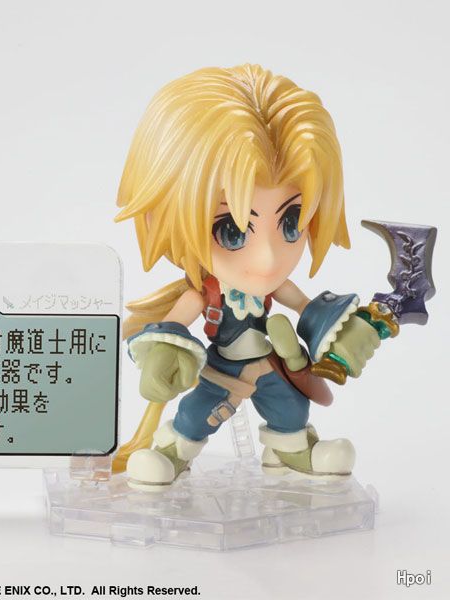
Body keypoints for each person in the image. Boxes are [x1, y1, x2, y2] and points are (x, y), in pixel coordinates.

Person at [114, 64, 380, 491]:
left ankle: (290, 450)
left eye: (291, 222)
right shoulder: (206, 292)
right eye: (232, 231)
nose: (268, 257)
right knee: (195, 416)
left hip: (272, 364)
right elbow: (175, 325)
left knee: (290, 411)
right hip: (222, 368)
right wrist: (162, 353)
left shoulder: (276, 288)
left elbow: (309, 309)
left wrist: (345, 330)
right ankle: (172, 453)